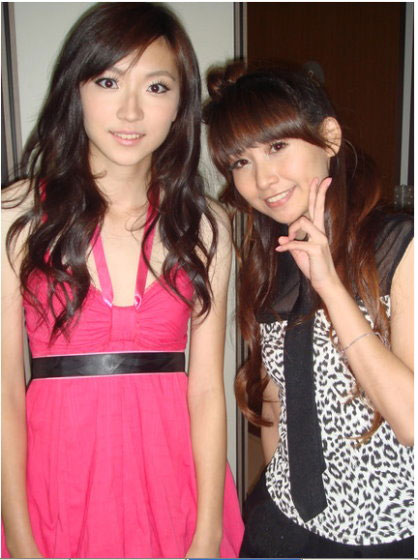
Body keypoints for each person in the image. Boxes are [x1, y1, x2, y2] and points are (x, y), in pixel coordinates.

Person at [1, 4, 244, 558]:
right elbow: (5, 393)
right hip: (56, 490)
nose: (131, 110)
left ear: (180, 104)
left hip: (172, 491)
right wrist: (20, 538)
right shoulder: (16, 215)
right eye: (108, 82)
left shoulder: (207, 225)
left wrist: (207, 535)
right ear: (76, 89)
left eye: (156, 87)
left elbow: (207, 391)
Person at [203, 62, 413, 558]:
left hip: (382, 529)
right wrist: (279, 503)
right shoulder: (270, 258)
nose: (262, 179)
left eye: (277, 146)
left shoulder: (399, 247)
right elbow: (277, 399)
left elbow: (411, 421)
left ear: (329, 138)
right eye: (240, 162)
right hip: (283, 517)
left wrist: (330, 288)